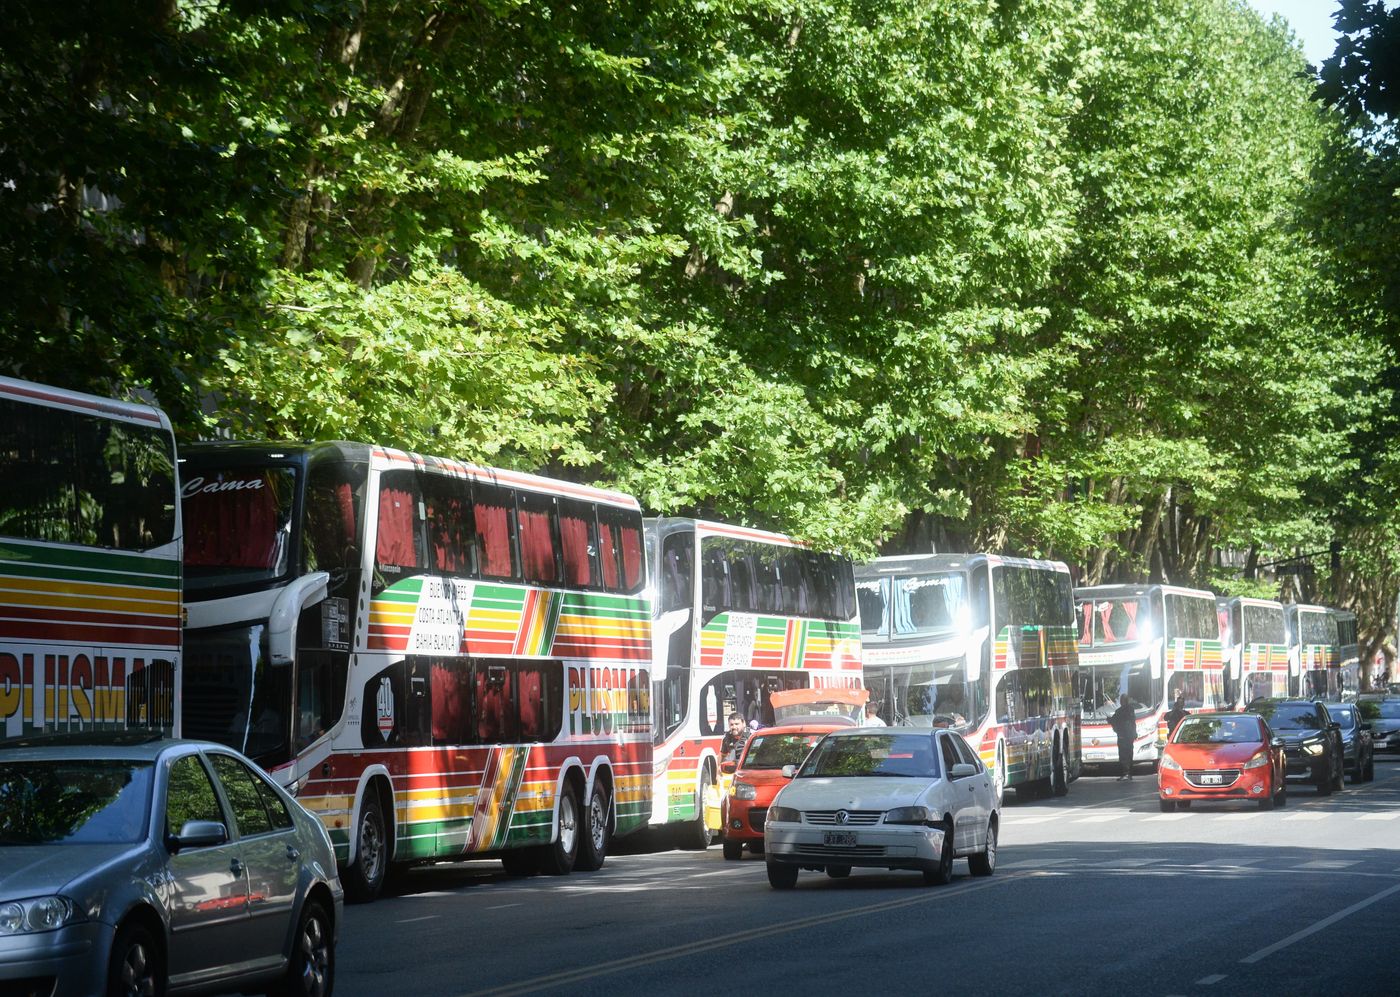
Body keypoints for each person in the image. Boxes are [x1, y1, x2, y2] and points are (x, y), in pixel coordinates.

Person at [1108, 693, 1136, 780]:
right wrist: (1134, 733)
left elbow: (1113, 721)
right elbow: (1133, 723)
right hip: (1130, 736)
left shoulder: (1119, 711)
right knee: (1129, 754)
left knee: (1123, 755)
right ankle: (1129, 773)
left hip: (1122, 736)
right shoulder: (1131, 709)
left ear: (1122, 701)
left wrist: (1109, 719)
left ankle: (1125, 773)